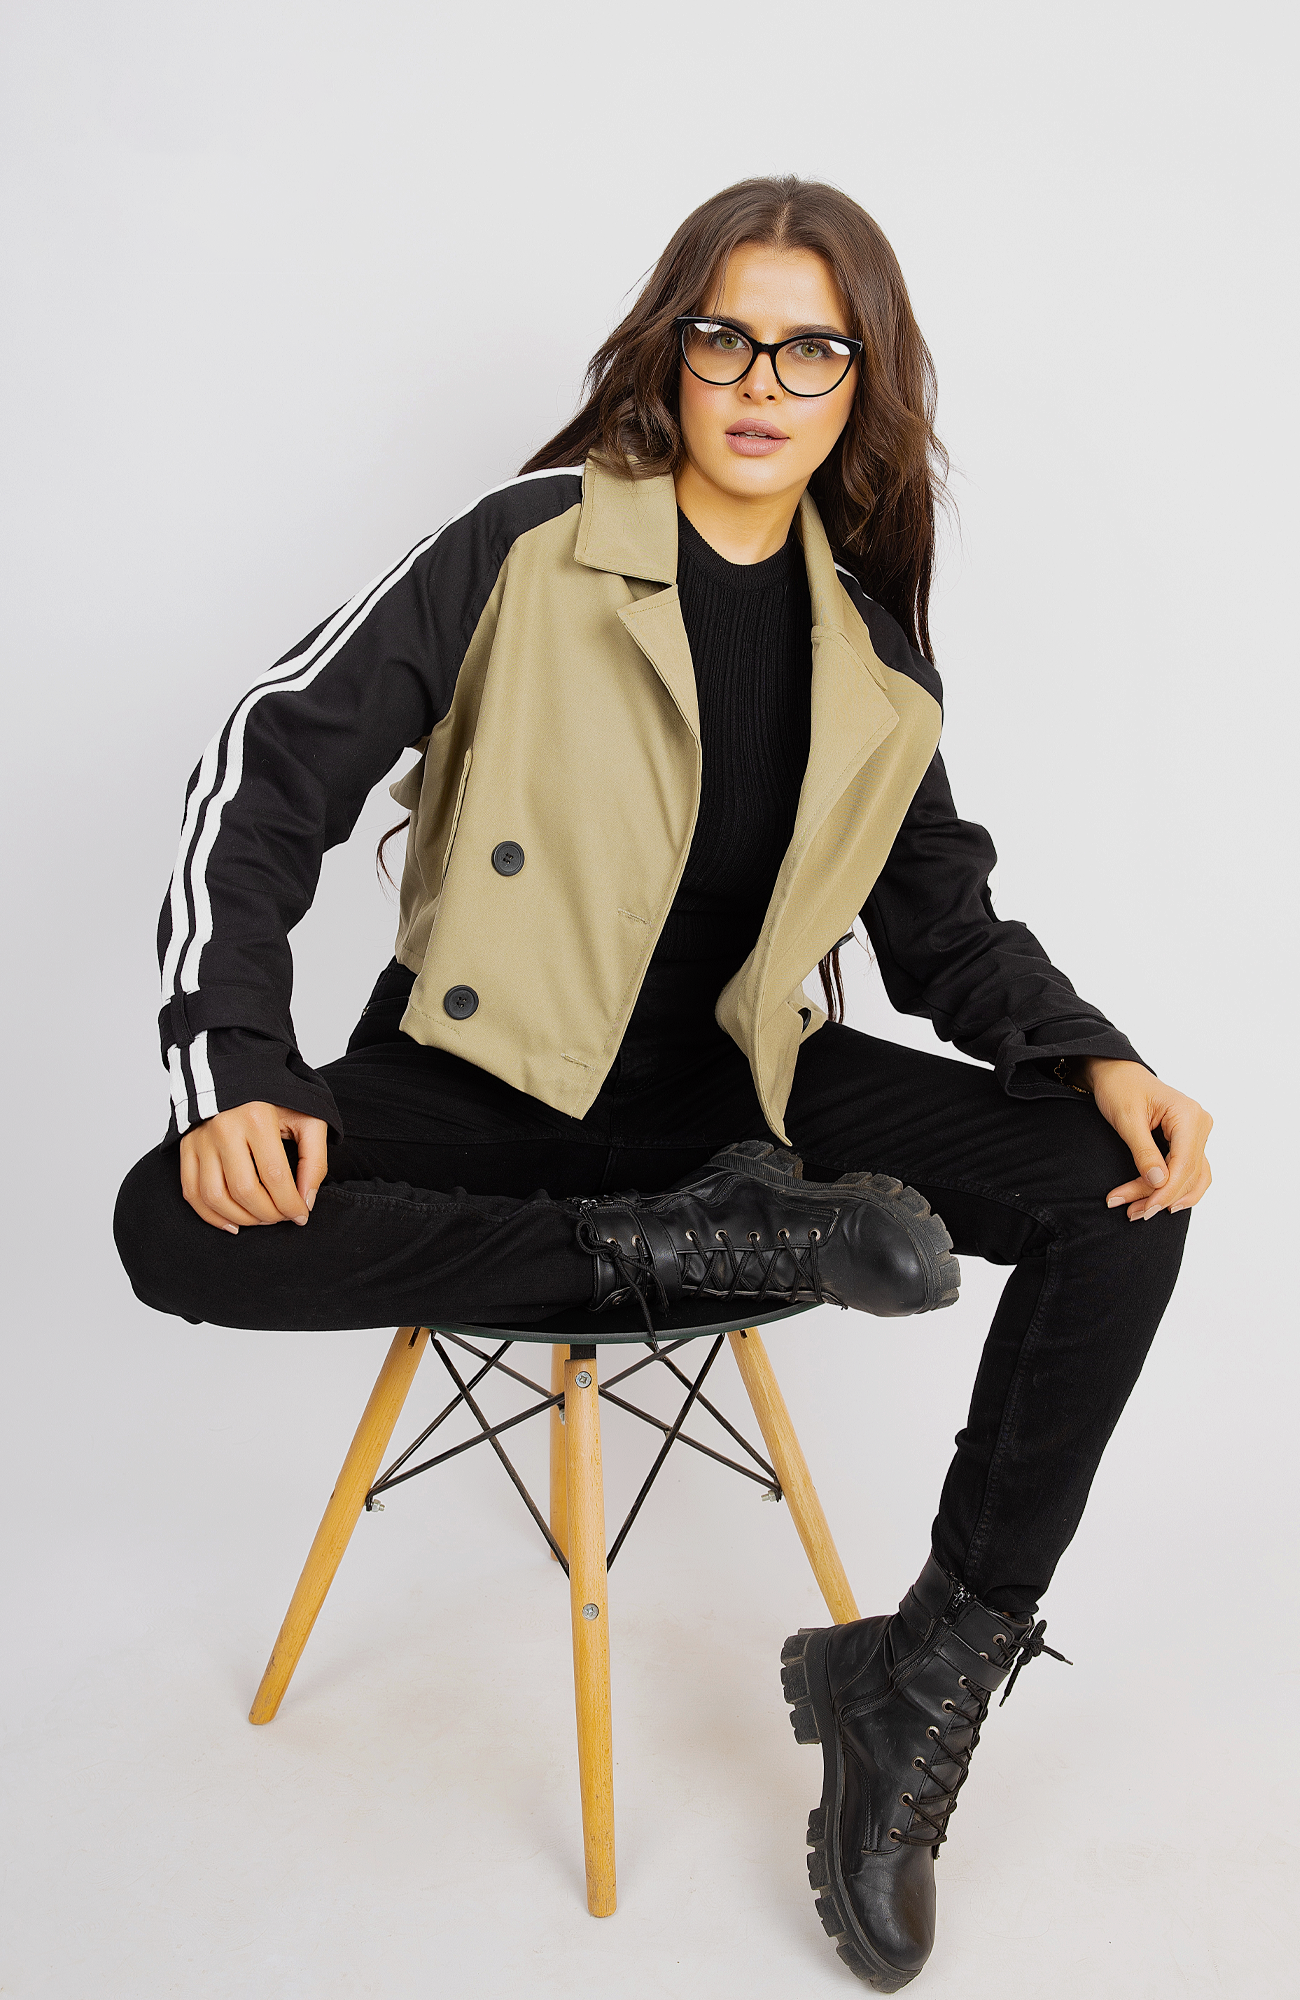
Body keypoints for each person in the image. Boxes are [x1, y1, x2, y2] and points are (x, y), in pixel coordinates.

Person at [114, 177, 1212, 1988]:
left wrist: (1093, 1053)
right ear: (671, 356)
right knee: (174, 1220)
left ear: (863, 383)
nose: (762, 382)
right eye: (727, 338)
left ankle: (920, 1674)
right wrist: (236, 1060)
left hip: (744, 1106)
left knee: (1124, 1198)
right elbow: (269, 766)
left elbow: (940, 927)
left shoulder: (874, 654)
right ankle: (657, 1246)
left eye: (810, 349)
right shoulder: (530, 544)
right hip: (485, 1069)